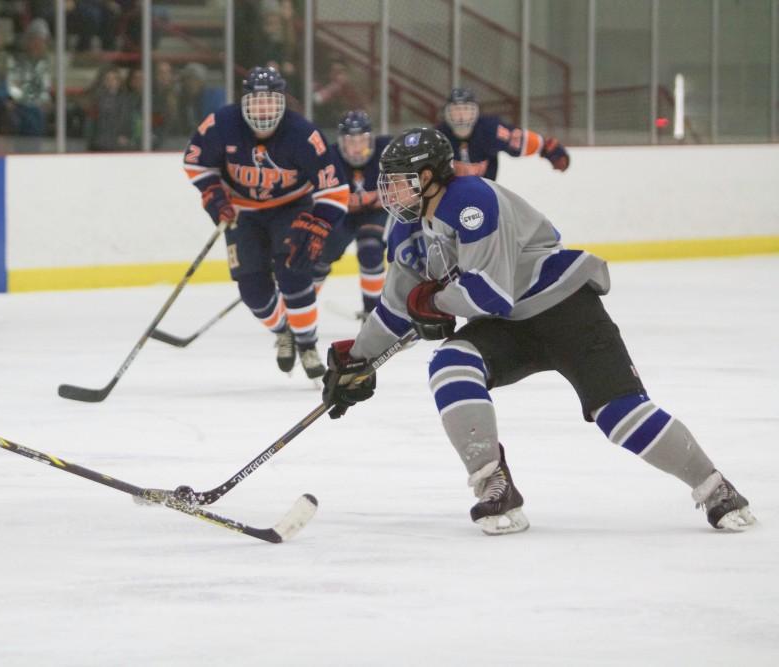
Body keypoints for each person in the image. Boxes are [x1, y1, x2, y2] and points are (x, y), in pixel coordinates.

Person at [322, 127, 755, 535]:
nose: (391, 192)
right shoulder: (406, 229)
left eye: (400, 181)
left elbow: (490, 294)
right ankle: (495, 485)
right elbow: (398, 308)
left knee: (620, 416)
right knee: (452, 363)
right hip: (510, 328)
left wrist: (433, 301)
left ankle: (716, 486)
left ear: (430, 177)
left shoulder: (470, 199)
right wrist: (357, 359)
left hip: (564, 308)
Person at [183, 65, 349, 378]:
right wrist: (214, 197)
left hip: (291, 208)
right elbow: (195, 163)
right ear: (243, 103)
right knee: (253, 291)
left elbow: (335, 189)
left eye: (270, 102)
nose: (263, 111)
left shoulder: (303, 134)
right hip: (243, 212)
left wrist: (320, 223)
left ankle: (308, 342)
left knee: (294, 274)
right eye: (256, 103)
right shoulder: (221, 124)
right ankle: (284, 331)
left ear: (283, 102)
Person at [313, 110, 391, 319]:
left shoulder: (388, 152)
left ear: (371, 140)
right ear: (341, 143)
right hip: (342, 215)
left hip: (375, 213)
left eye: (362, 141)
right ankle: (300, 311)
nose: (357, 148)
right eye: (351, 142)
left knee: (371, 250)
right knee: (318, 256)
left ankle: (373, 314)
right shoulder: (329, 158)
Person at [436, 87, 570, 181]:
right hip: (448, 199)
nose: (461, 117)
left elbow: (523, 141)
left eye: (466, 110)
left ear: (476, 111)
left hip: (484, 196)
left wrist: (553, 151)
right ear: (447, 113)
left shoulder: (491, 130)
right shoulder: (438, 136)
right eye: (456, 111)